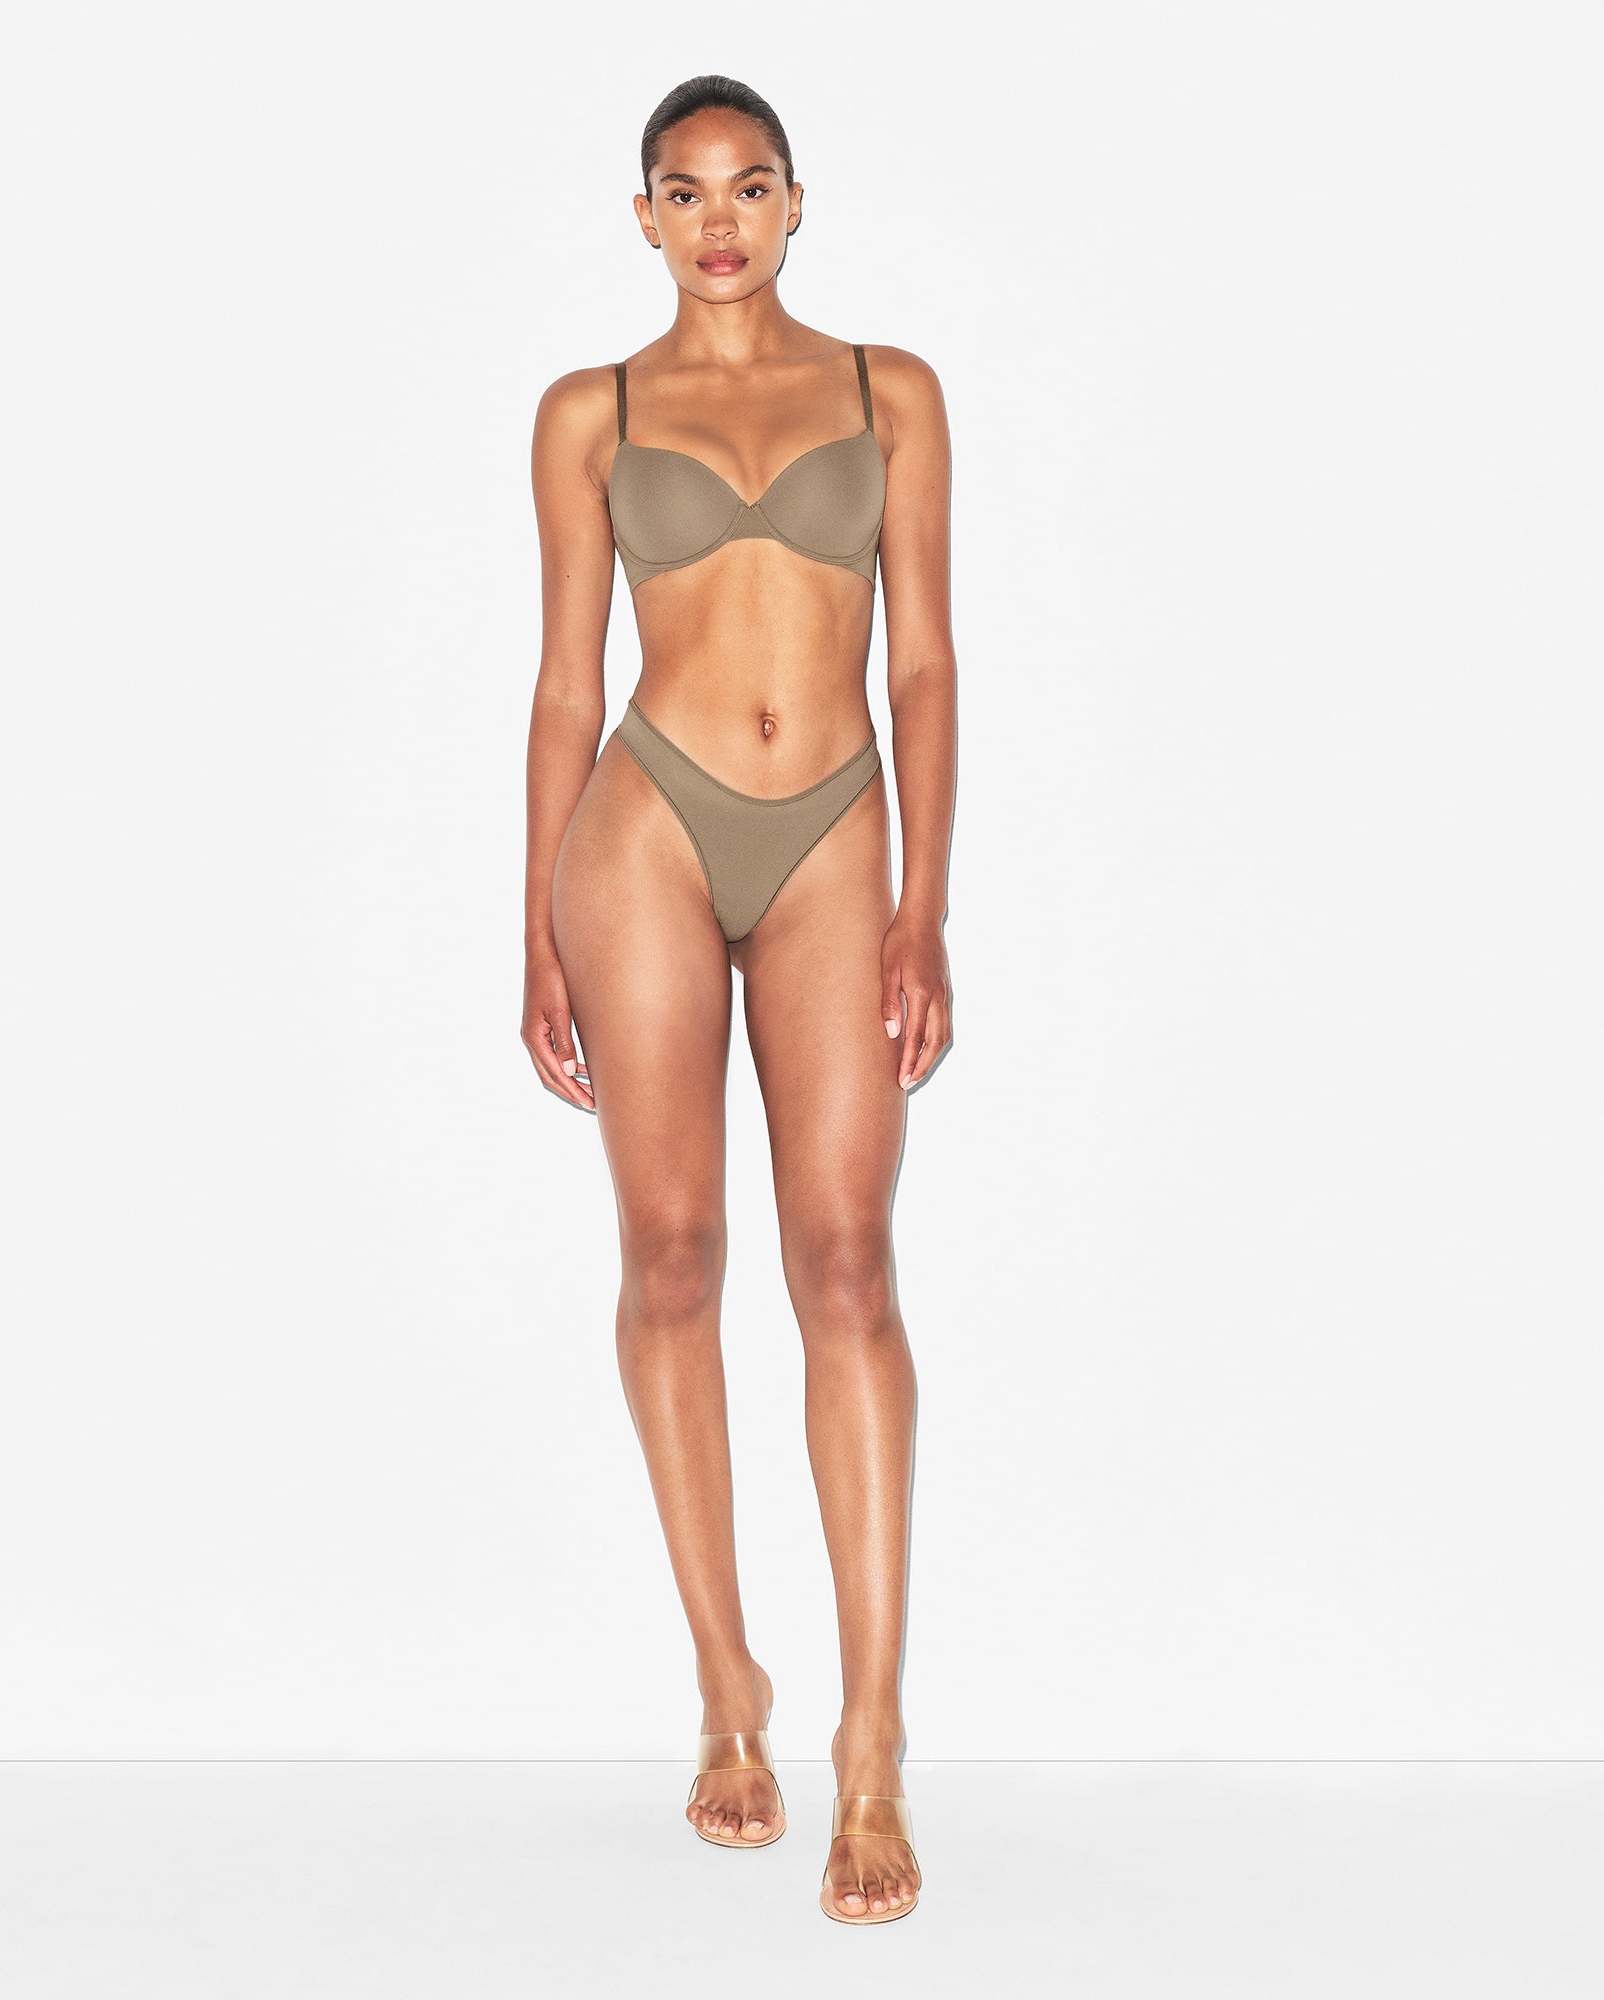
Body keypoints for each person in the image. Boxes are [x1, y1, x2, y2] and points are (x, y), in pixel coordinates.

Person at [519, 73, 957, 1927]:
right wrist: (534, 925)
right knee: (674, 1252)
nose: (719, 220)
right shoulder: (593, 411)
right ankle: (726, 1686)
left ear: (795, 205)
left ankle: (871, 1738)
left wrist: (926, 903)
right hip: (645, 828)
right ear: (644, 217)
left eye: (750, 186)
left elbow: (924, 663)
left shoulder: (889, 391)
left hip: (837, 826)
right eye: (684, 191)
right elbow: (564, 681)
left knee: (845, 1262)